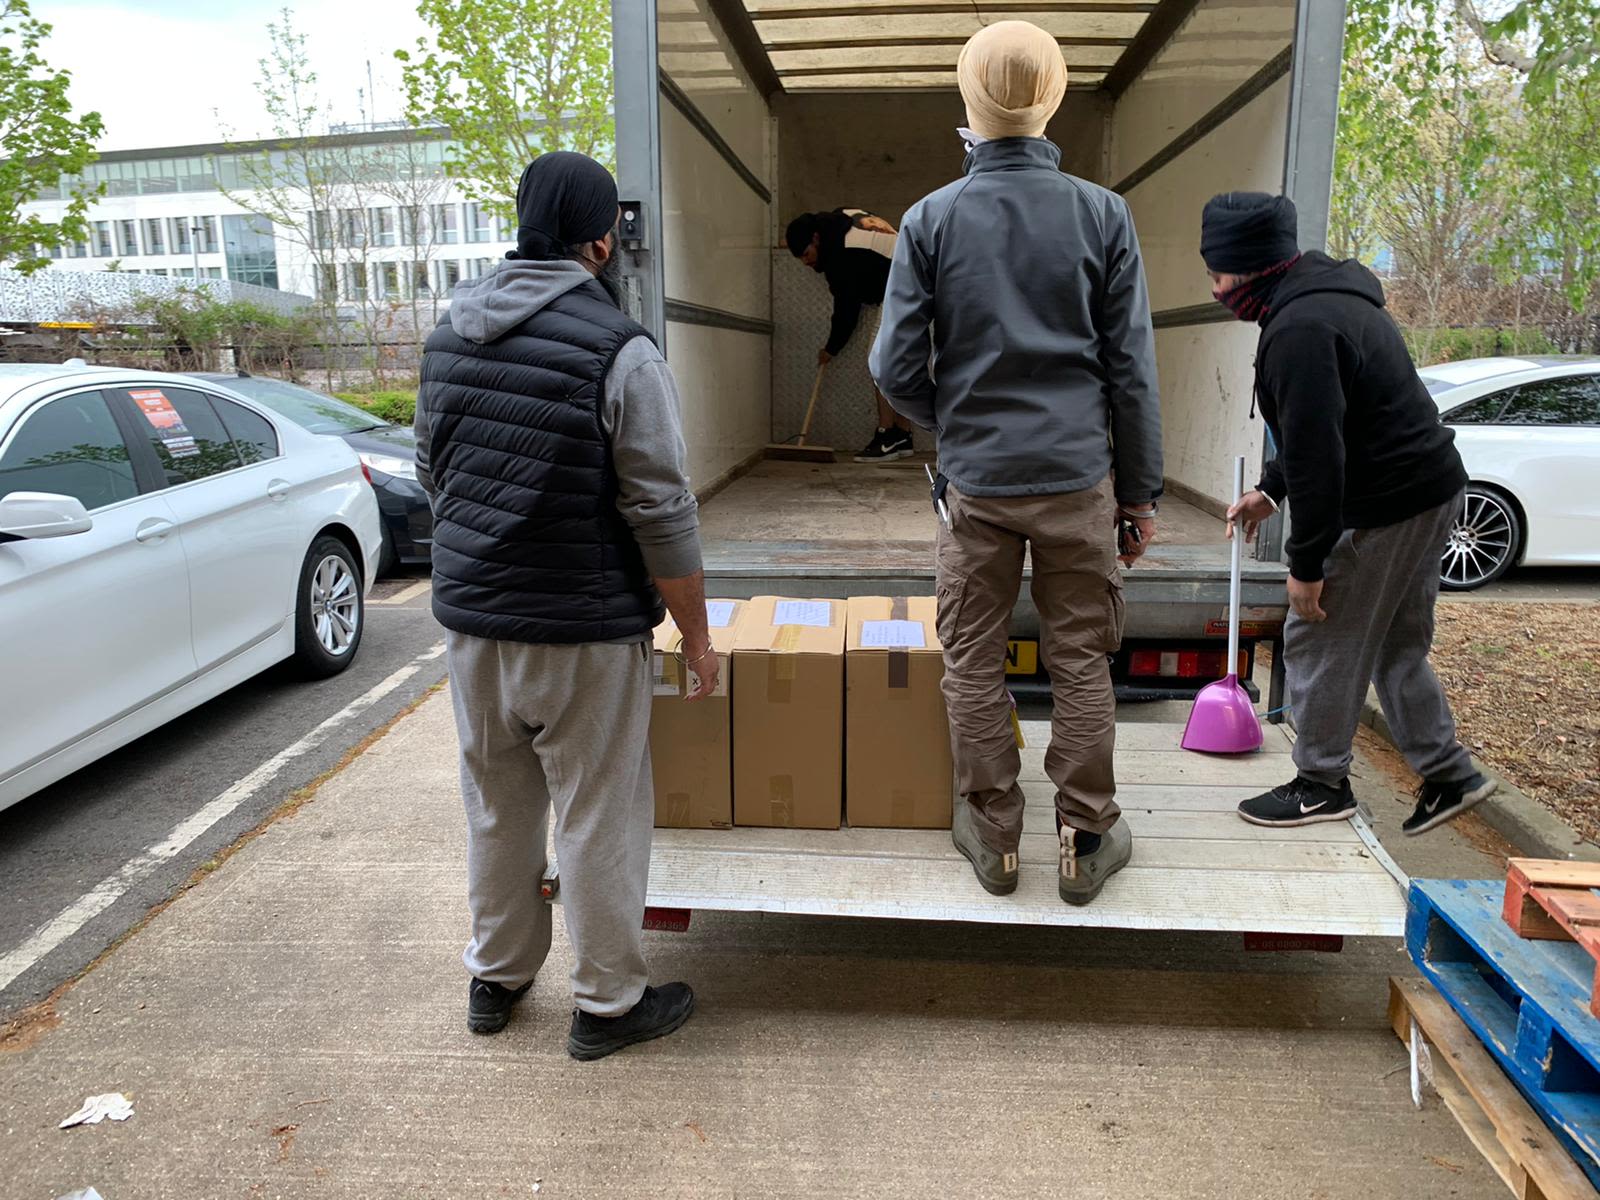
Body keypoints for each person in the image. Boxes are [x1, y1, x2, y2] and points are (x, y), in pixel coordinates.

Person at [414, 151, 714, 1058]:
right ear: (600, 239)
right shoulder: (618, 350)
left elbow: (434, 473)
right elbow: (660, 506)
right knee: (596, 812)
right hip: (582, 632)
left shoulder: (446, 336)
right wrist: (696, 636)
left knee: (498, 809)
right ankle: (609, 1004)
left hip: (474, 630)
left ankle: (496, 979)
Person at [871, 20, 1164, 905]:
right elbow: (1132, 372)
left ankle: (994, 836)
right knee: (1080, 657)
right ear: (1055, 99)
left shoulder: (929, 218)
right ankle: (1086, 838)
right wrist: (1140, 495)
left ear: (967, 103)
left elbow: (891, 365)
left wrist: (949, 426)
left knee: (972, 657)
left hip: (979, 485)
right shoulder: (1102, 213)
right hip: (1079, 481)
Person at [1201, 191, 1496, 835]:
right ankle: (1450, 774)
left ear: (1249, 266)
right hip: (1431, 488)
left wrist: (1306, 564)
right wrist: (1271, 489)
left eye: (1218, 273)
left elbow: (1321, 460)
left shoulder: (1300, 330)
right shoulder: (1323, 300)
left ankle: (1321, 783)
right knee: (1394, 640)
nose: (1216, 288)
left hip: (1389, 504)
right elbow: (1332, 424)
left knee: (1319, 635)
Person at [785, 207, 915, 462]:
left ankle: (887, 435)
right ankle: (902, 434)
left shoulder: (841, 255)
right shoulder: (839, 223)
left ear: (815, 239)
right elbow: (854, 212)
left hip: (904, 286)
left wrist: (831, 349)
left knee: (879, 362)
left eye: (806, 254)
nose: (806, 262)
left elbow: (847, 311)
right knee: (893, 363)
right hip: (907, 281)